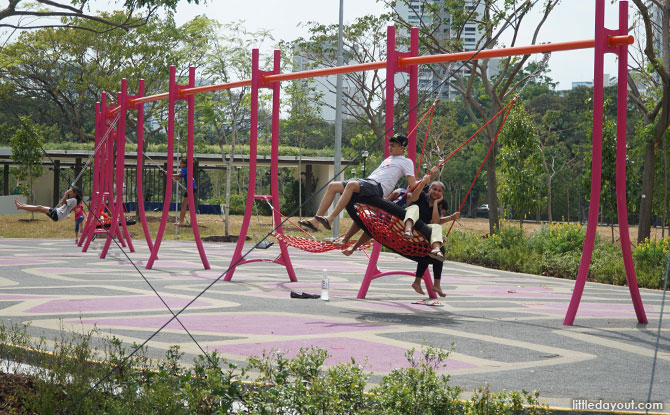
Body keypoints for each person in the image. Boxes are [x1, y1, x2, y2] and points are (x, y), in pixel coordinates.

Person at [299, 134, 416, 232]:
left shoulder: (406, 162)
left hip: (378, 187)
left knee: (351, 185)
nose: (389, 148)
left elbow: (412, 183)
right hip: (368, 182)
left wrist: (423, 182)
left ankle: (330, 218)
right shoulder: (388, 159)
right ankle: (315, 221)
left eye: (393, 146)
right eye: (389, 145)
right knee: (333, 186)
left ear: (402, 148)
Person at [15, 187, 82, 222]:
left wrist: (66, 194)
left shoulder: (73, 200)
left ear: (75, 193)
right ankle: (21, 205)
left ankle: (20, 206)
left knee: (39, 208)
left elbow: (63, 202)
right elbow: (63, 203)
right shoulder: (74, 200)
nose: (70, 193)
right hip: (57, 213)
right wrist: (66, 194)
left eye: (71, 192)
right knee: (39, 207)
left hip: (57, 214)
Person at [172, 158, 197, 226]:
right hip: (191, 188)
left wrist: (170, 174)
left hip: (191, 188)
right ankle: (191, 221)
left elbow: (178, 176)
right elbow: (178, 178)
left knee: (184, 205)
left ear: (184, 164)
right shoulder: (185, 170)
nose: (180, 164)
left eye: (181, 163)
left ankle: (181, 221)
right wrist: (171, 176)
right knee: (189, 205)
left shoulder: (186, 169)